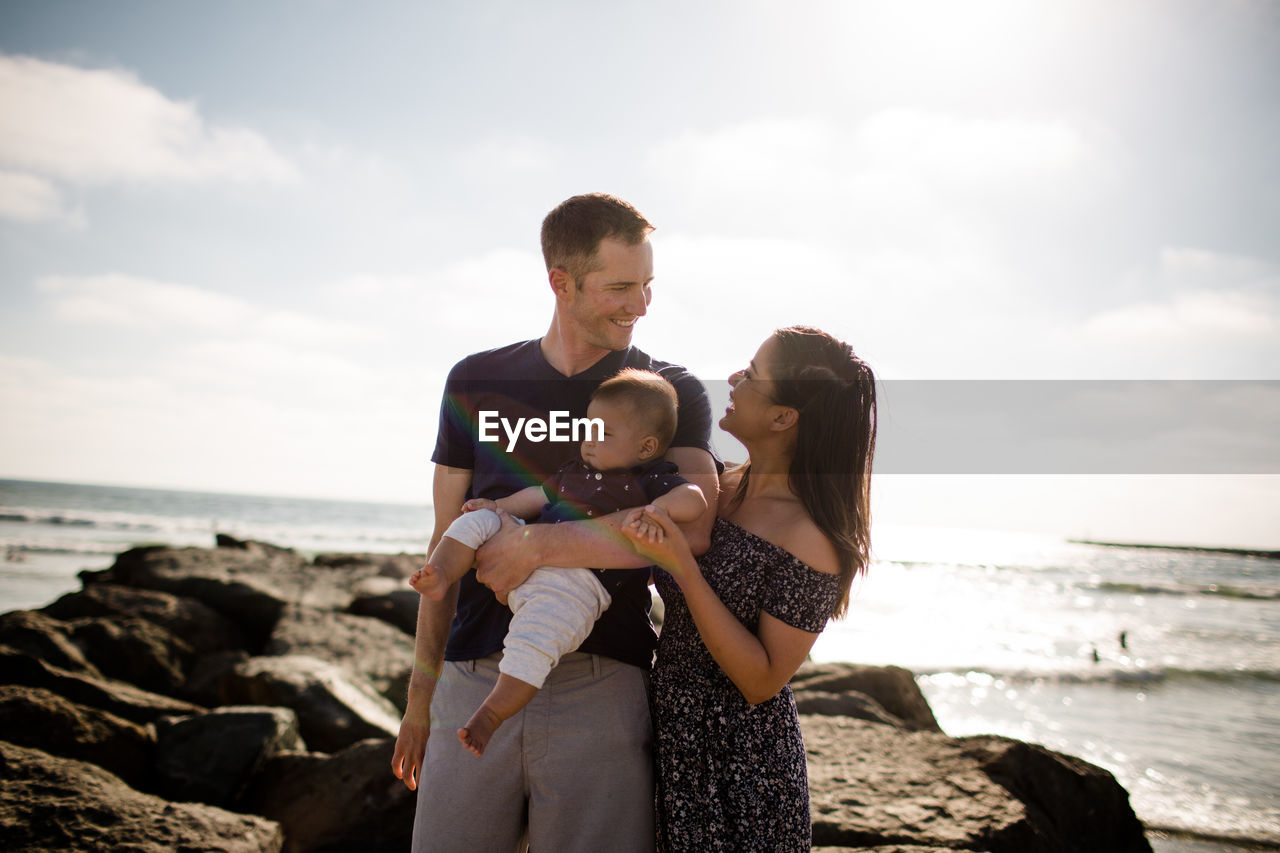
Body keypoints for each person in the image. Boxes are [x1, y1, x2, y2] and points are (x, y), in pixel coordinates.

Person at [391, 193, 719, 853]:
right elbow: (442, 546)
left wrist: (538, 546)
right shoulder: (475, 381)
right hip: (473, 672)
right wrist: (418, 698)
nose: (641, 303)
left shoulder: (668, 391)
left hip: (599, 682)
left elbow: (696, 524)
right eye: (621, 286)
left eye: (648, 285)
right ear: (561, 282)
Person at [623, 325, 876, 852]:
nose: (735, 378)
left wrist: (685, 572)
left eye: (753, 374)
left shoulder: (813, 537)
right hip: (667, 729)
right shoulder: (716, 485)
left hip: (741, 768)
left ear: (784, 417)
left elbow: (762, 680)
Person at [407, 369, 706, 757]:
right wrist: (497, 508)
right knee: (476, 519)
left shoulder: (650, 479)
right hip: (521, 557)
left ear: (647, 447)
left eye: (604, 434)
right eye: (588, 429)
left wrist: (655, 511)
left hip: (576, 586)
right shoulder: (574, 471)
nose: (589, 442)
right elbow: (536, 495)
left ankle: (491, 715)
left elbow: (694, 500)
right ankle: (442, 574)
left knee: (534, 641)